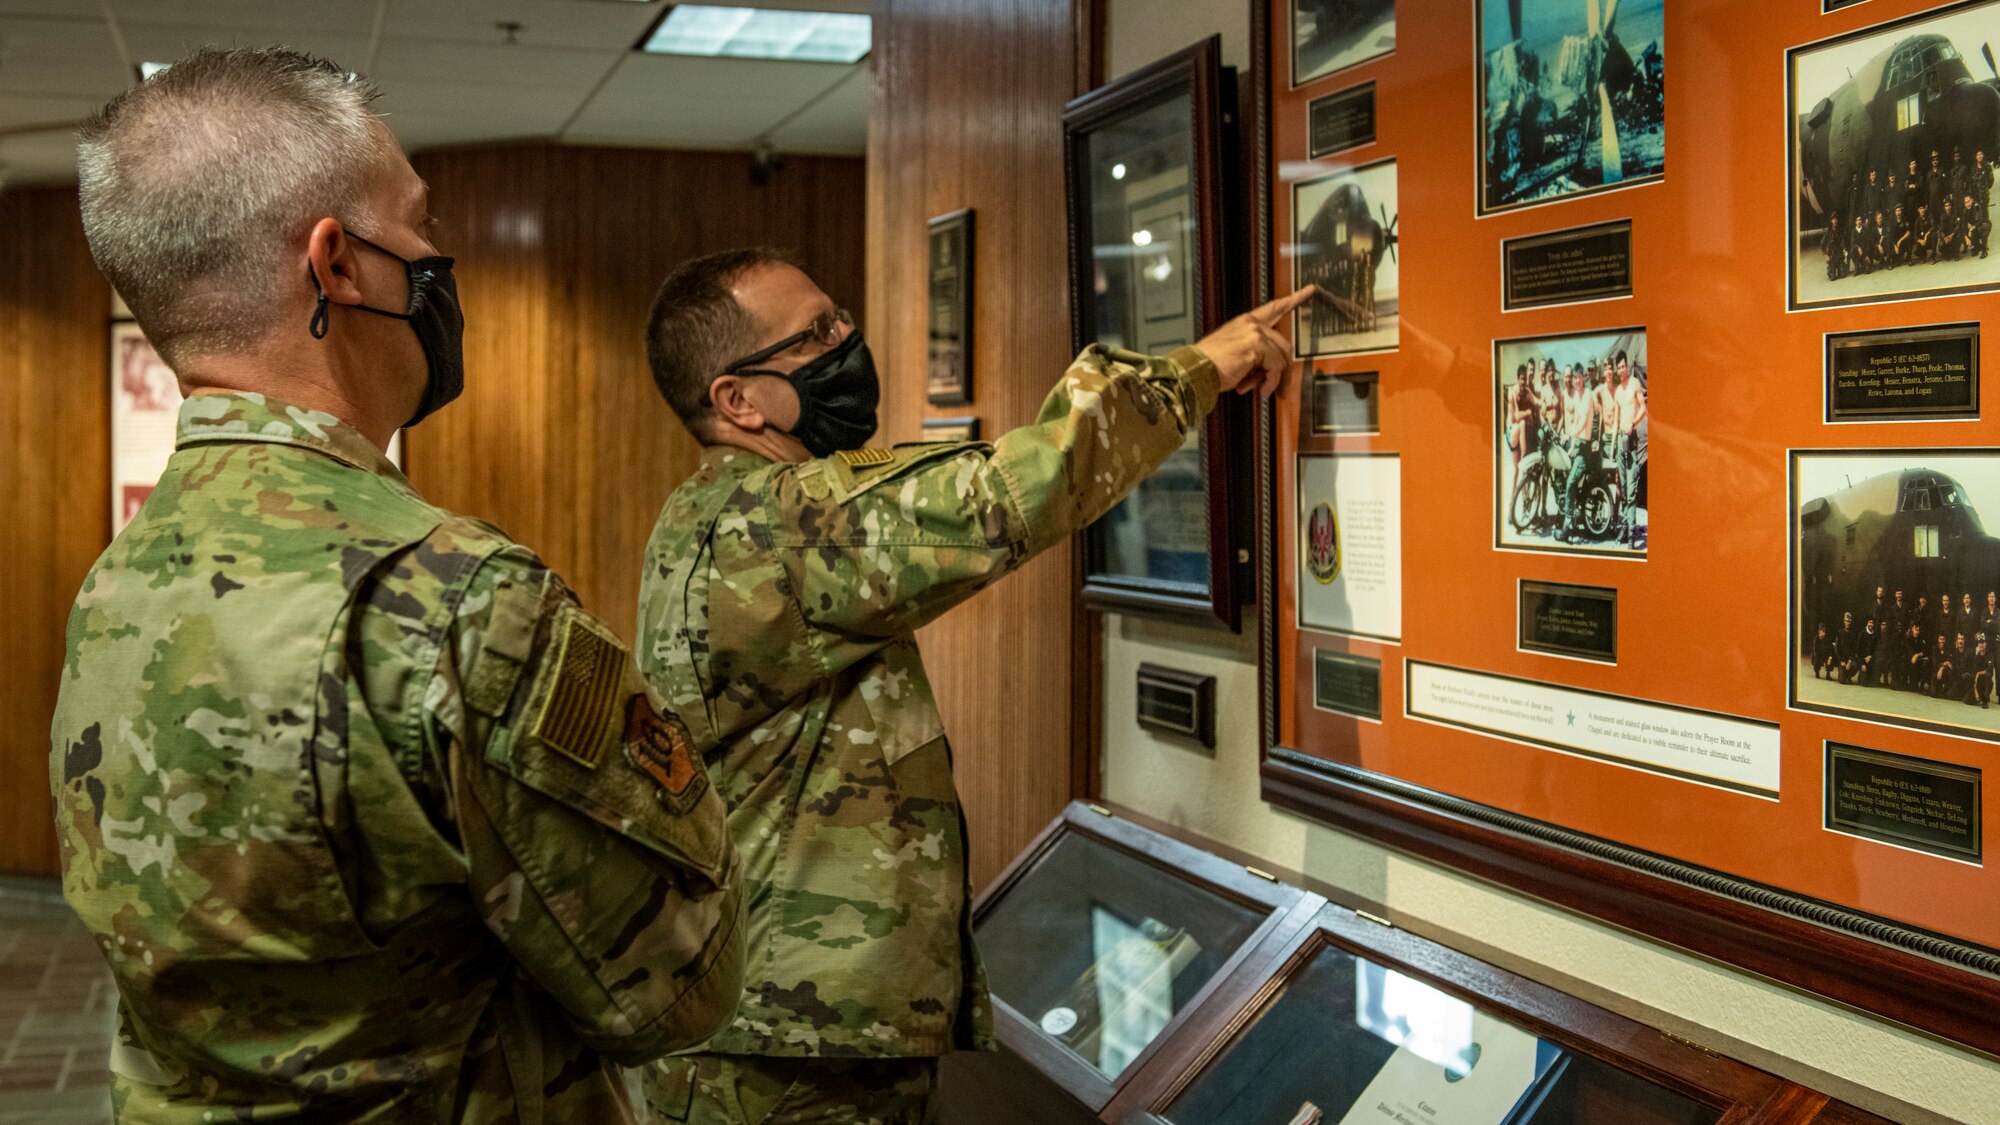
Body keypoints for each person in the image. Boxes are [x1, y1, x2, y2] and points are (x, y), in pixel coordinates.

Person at [49, 48, 745, 1123]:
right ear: (337, 263)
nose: (435, 257)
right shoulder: (458, 597)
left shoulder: (120, 584)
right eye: (417, 226)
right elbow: (675, 987)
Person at [632, 248, 1310, 1122]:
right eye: (816, 335)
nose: (848, 340)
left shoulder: (717, 515)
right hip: (787, 1053)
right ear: (738, 399)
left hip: (795, 1030)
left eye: (841, 318)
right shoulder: (774, 525)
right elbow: (1018, 486)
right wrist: (1202, 368)